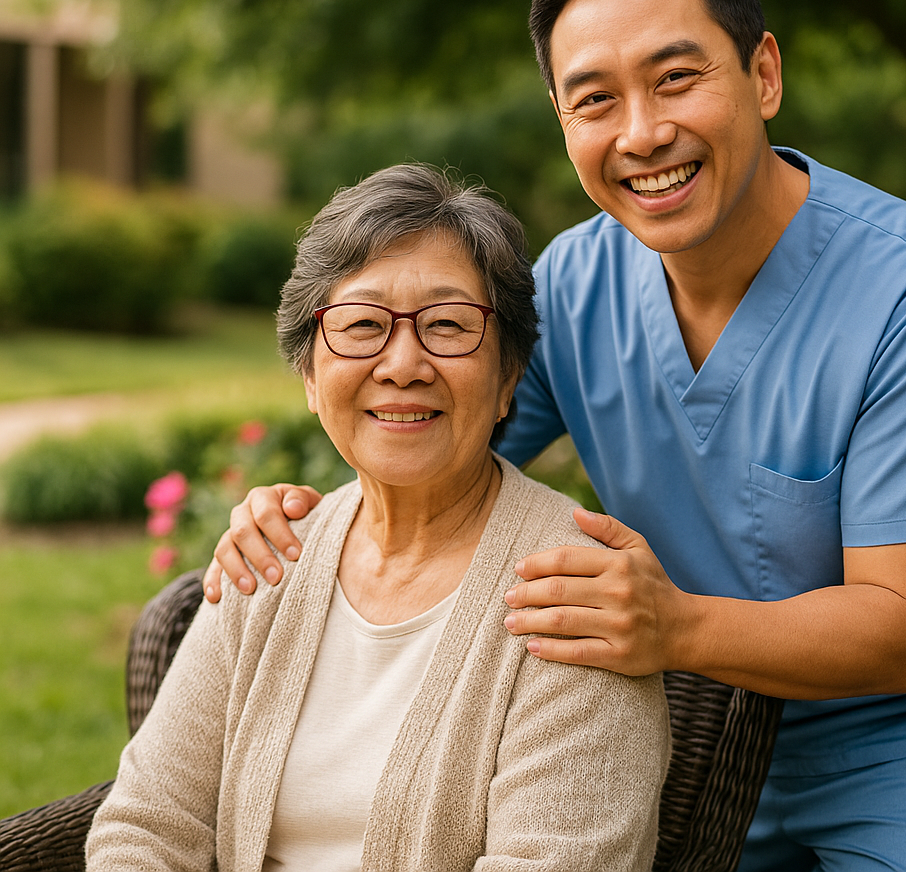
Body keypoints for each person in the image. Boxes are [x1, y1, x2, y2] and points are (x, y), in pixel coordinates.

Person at [205, 0, 906, 871]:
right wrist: (303, 518)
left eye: (676, 78)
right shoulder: (573, 286)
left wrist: (675, 625)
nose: (642, 133)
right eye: (595, 99)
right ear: (564, 122)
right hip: (681, 734)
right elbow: (436, 454)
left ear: (763, 75)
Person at [86, 164, 670, 871]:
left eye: (447, 325)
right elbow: (146, 826)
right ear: (309, 375)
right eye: (362, 324)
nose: (402, 365)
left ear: (509, 377)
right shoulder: (270, 555)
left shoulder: (574, 595)